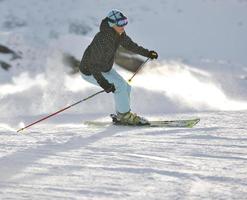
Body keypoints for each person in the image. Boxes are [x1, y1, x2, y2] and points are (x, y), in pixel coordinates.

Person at [79, 9, 158, 125]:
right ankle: (125, 116)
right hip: (90, 71)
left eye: (125, 22)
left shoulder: (119, 34)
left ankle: (122, 115)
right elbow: (93, 65)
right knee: (120, 86)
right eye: (120, 23)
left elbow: (131, 46)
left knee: (126, 87)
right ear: (112, 24)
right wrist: (104, 83)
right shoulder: (101, 39)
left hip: (105, 68)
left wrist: (147, 53)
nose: (123, 26)